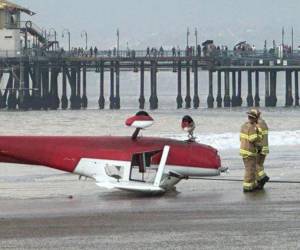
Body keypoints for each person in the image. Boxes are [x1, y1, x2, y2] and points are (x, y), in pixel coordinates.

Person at [240, 110, 262, 192]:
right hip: (250, 152)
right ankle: (247, 187)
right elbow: (253, 139)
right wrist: (259, 134)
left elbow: (241, 138)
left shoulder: (244, 126)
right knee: (250, 170)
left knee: (249, 169)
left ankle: (251, 185)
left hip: (244, 150)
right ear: (254, 118)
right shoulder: (252, 127)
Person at [252, 109, 270, 189]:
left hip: (260, 148)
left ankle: (263, 177)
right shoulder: (263, 122)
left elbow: (256, 138)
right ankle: (260, 183)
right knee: (260, 165)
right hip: (265, 147)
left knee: (254, 164)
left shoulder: (257, 124)